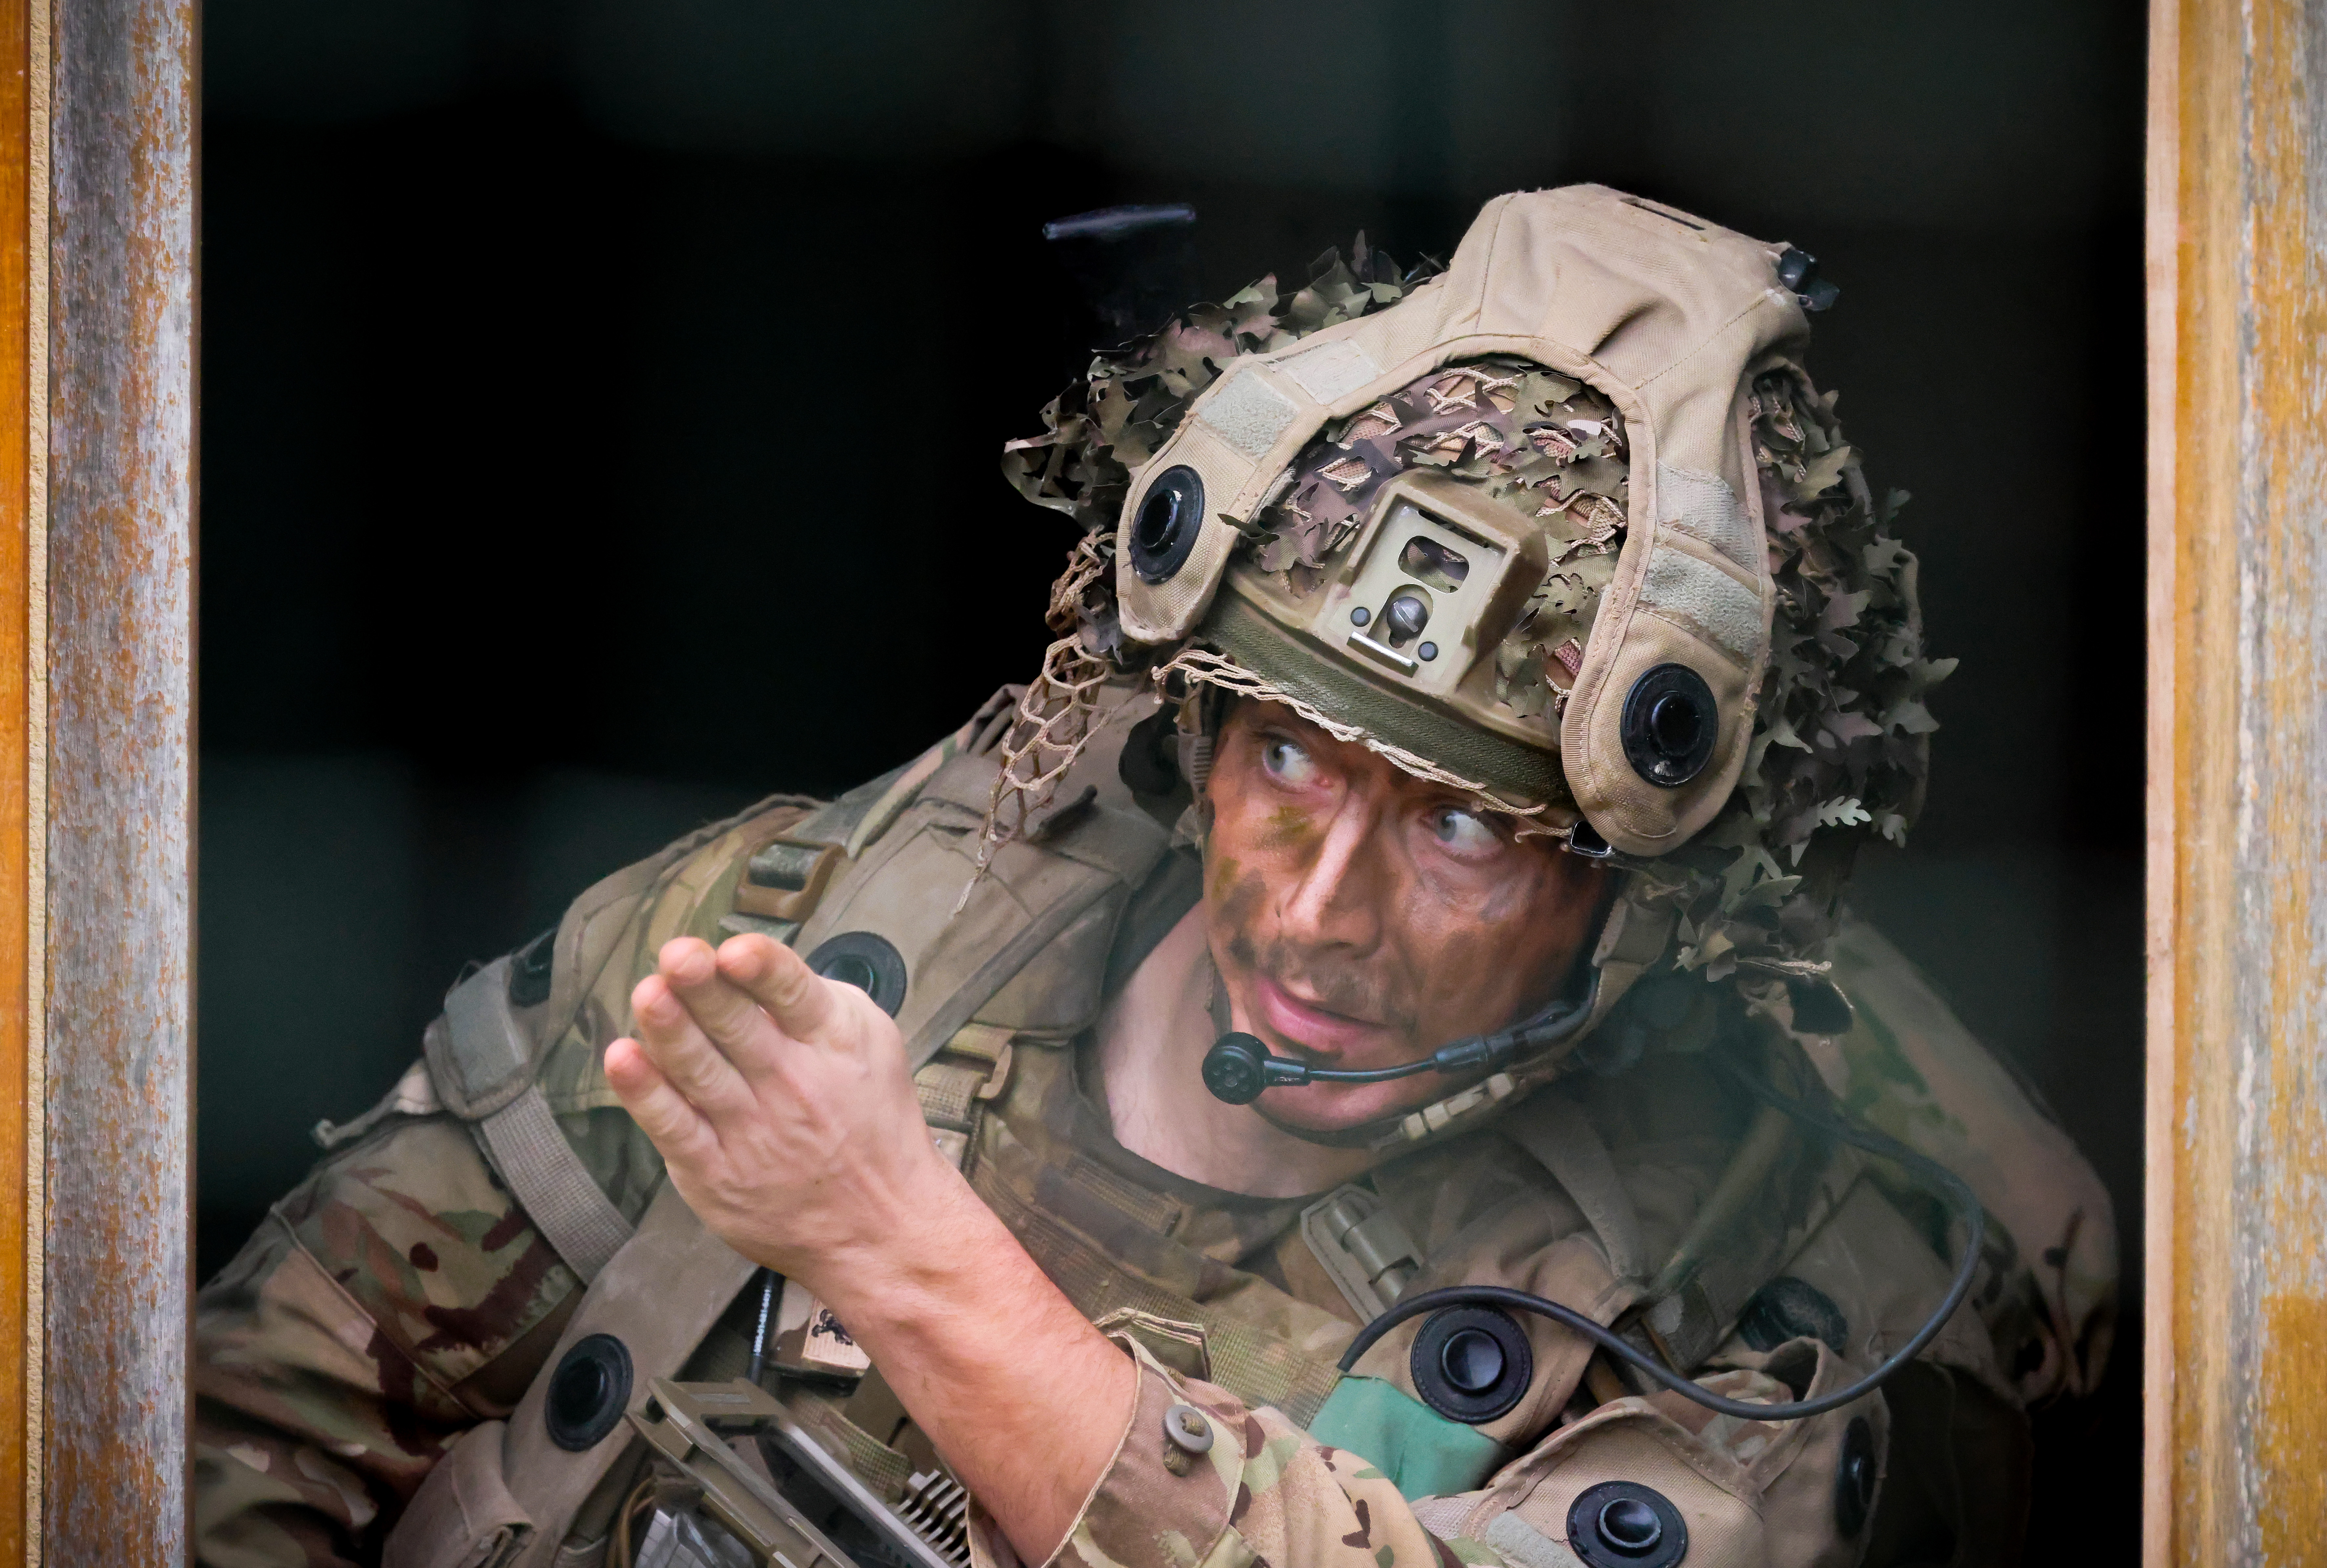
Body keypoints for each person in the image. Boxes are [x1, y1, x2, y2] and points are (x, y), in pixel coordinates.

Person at [191, 186, 2116, 1568]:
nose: (1309, 907)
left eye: (1461, 825)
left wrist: (893, 1239)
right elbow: (272, 1387)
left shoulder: (1778, 1301)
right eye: (1283, 755)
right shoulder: (862, 919)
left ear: (1645, 901)